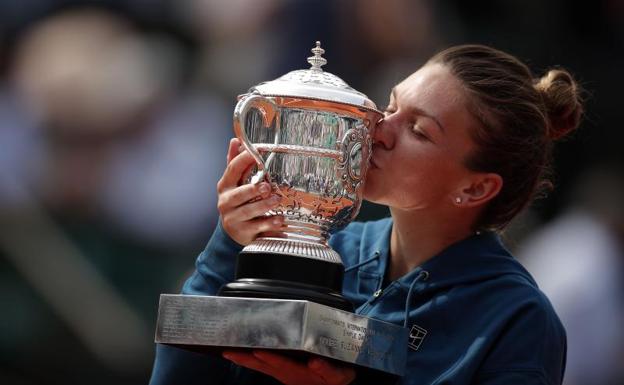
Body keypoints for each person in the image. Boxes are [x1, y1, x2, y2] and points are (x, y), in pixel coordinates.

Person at [149, 44, 583, 385]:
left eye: (418, 130)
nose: (377, 129)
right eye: (391, 106)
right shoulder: (320, 247)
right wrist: (231, 244)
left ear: (475, 187)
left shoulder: (516, 319)